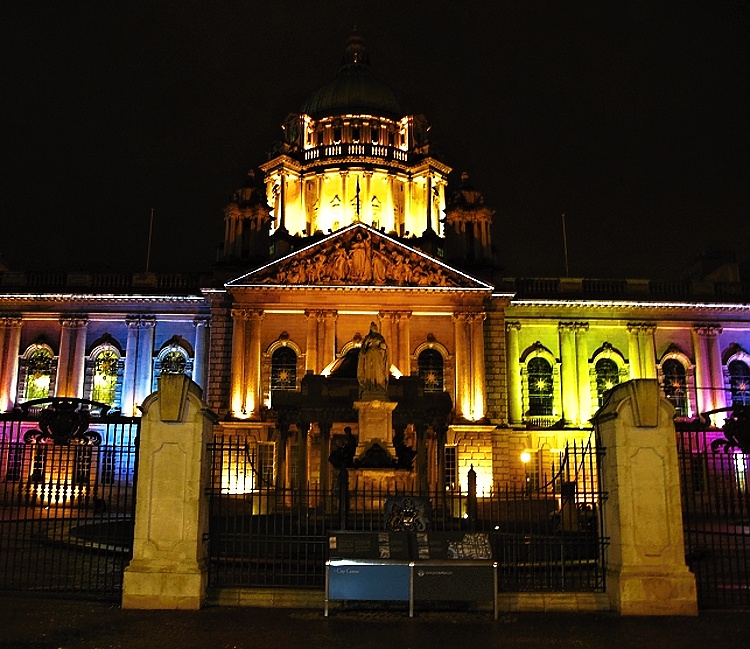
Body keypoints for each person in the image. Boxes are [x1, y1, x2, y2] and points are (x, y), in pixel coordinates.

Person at [357, 321, 390, 396]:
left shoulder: (380, 337)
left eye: (375, 327)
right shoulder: (367, 337)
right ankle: (369, 386)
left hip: (378, 357)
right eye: (373, 327)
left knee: (378, 371)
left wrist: (383, 348)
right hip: (369, 357)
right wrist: (364, 352)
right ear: (371, 329)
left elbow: (385, 348)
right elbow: (363, 349)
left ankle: (379, 386)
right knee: (369, 371)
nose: (375, 328)